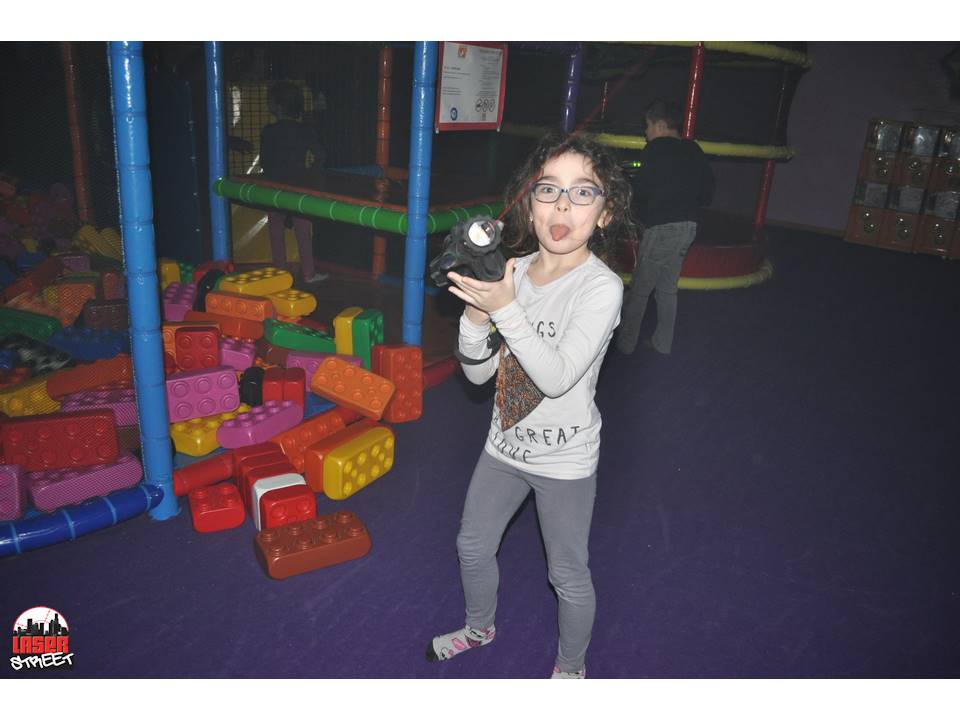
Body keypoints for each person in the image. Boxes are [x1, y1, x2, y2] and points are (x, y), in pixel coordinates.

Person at [428, 131, 634, 678]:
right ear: (529, 203)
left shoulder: (601, 288)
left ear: (606, 213)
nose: (562, 206)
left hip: (564, 459)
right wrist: (476, 317)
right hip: (504, 445)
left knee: (566, 574)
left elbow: (557, 377)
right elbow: (478, 375)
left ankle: (570, 670)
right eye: (548, 189)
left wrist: (505, 308)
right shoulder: (512, 271)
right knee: (472, 546)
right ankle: (480, 627)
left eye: (583, 192)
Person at [615, 99, 714, 355]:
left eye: (647, 126)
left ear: (659, 125)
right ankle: (663, 343)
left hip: (662, 227)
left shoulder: (654, 150)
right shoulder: (693, 149)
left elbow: (642, 191)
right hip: (688, 227)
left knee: (640, 289)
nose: (645, 132)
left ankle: (625, 345)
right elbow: (708, 191)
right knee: (668, 288)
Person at [259, 80, 328, 284]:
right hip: (298, 186)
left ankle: (280, 272)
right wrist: (311, 173)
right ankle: (309, 273)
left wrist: (272, 175)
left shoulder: (269, 131)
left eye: (270, 101)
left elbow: (264, 161)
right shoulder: (304, 130)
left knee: (276, 231)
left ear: (279, 106)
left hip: (274, 188)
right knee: (303, 230)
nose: (268, 104)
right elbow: (320, 155)